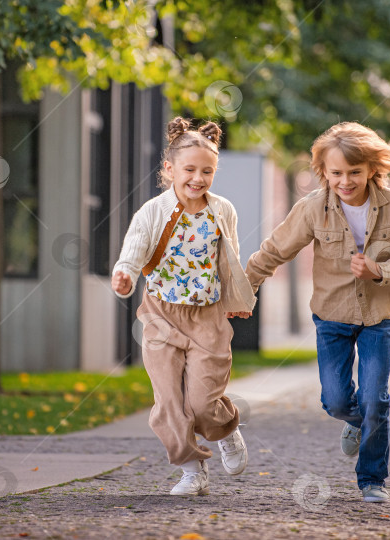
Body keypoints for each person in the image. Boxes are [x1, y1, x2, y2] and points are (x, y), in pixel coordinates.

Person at [245, 122, 390, 503]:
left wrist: (379, 270)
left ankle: (372, 480)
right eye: (337, 173)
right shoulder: (313, 208)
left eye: (355, 172)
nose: (346, 181)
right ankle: (358, 423)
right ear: (323, 172)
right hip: (332, 316)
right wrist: (245, 289)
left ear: (372, 170)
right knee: (337, 401)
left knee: (375, 398)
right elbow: (275, 250)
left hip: (380, 315)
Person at [112, 117, 256, 496]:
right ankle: (192, 471)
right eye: (189, 169)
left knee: (203, 400)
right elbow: (134, 248)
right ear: (169, 169)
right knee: (169, 401)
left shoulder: (222, 210)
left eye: (207, 170)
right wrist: (124, 272)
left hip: (207, 317)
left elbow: (230, 259)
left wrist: (236, 299)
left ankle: (224, 429)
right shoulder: (153, 211)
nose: (198, 178)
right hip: (160, 315)